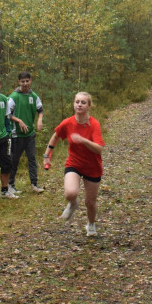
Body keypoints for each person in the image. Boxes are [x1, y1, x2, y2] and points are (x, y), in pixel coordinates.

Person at [44, 92, 106, 237]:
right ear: (74, 104)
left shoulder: (94, 124)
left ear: (89, 106)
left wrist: (83, 140)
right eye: (77, 102)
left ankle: (91, 224)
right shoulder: (68, 122)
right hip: (74, 163)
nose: (79, 104)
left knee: (90, 202)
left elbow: (99, 148)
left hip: (92, 166)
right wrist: (47, 155)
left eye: (83, 102)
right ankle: (72, 203)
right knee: (70, 193)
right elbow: (56, 136)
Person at [8, 71, 45, 194]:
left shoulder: (33, 96)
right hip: (16, 135)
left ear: (30, 81)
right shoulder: (14, 97)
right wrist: (19, 121)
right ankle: (10, 185)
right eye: (22, 81)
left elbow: (40, 109)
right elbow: (7, 114)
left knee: (32, 159)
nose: (25, 84)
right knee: (14, 160)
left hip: (30, 134)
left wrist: (39, 120)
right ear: (19, 82)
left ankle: (34, 184)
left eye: (27, 81)